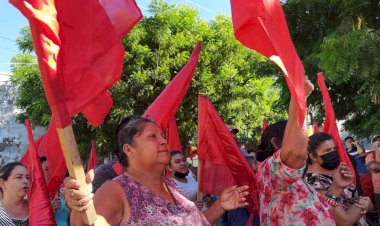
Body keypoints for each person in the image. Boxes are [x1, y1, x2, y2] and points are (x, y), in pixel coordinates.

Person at [64, 115, 250, 225]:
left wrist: (220, 206)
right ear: (129, 150)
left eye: (162, 135)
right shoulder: (116, 190)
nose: (163, 141)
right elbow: (94, 222)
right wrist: (81, 208)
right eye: (152, 136)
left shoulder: (170, 185)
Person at [255, 79, 346, 225]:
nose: (305, 145)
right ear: (275, 143)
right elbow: (295, 153)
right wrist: (299, 98)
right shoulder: (269, 171)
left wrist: (336, 188)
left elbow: (321, 210)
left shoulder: (295, 176)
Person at [305, 132, 372, 225]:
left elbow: (361, 199)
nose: (333, 153)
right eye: (328, 150)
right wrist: (363, 205)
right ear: (312, 156)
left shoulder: (336, 172)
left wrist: (368, 204)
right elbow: (344, 221)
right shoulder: (315, 182)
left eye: (334, 149)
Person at [40, 157, 70, 226]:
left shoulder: (62, 194)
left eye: (52, 168)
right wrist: (49, 211)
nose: (50, 172)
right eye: (46, 169)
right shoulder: (35, 198)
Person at [365, 135, 380, 223]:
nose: (378, 142)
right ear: (372, 144)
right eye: (376, 141)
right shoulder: (371, 155)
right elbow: (374, 166)